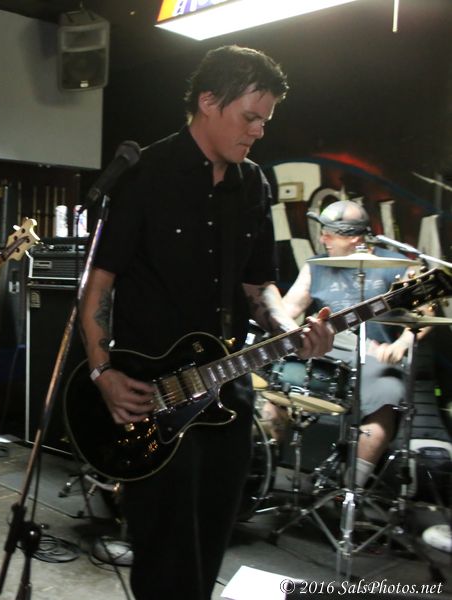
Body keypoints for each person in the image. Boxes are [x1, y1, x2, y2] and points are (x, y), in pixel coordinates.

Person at [77, 46, 333, 600]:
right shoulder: (145, 173)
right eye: (250, 116)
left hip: (227, 389)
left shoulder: (253, 184)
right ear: (208, 101)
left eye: (266, 120)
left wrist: (288, 327)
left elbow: (258, 285)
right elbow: (98, 287)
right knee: (165, 557)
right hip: (153, 393)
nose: (259, 131)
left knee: (212, 537)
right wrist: (102, 372)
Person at [267, 199, 419, 487]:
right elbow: (288, 310)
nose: (322, 240)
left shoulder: (395, 266)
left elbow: (424, 314)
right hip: (326, 351)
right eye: (322, 233)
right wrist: (279, 328)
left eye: (329, 235)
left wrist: (402, 343)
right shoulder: (316, 266)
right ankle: (271, 480)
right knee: (274, 387)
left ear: (355, 238)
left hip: (375, 358)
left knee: (387, 398)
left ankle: (348, 493)